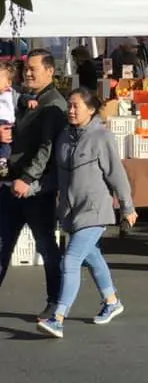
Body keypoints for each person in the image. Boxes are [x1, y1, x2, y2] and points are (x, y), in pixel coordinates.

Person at [37, 88, 137, 339]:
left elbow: (117, 175)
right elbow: (56, 177)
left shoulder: (101, 137)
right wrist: (30, 188)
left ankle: (57, 318)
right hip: (71, 213)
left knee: (70, 260)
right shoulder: (64, 137)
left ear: (91, 110)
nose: (70, 111)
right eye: (69, 106)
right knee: (92, 257)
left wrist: (127, 208)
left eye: (75, 106)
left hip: (95, 211)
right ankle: (112, 300)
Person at [0, 49, 69, 320]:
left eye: (33, 69)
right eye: (26, 68)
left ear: (50, 71)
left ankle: (55, 303)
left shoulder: (53, 104)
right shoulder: (30, 98)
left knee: (46, 248)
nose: (27, 73)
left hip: (35, 191)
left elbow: (46, 148)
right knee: (3, 245)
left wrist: (27, 178)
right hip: (12, 186)